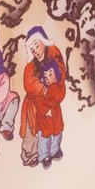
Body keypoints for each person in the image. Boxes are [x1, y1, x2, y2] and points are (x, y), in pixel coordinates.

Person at [20, 26, 67, 167]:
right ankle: (32, 155)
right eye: (32, 49)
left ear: (43, 41)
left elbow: (61, 71)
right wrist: (44, 89)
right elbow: (29, 83)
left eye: (36, 45)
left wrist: (53, 83)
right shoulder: (30, 66)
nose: (35, 51)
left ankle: (54, 151)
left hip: (52, 98)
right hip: (35, 102)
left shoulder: (53, 51)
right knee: (34, 131)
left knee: (55, 128)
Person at [34, 59, 66, 169]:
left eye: (50, 74)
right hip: (45, 118)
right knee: (44, 138)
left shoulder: (57, 86)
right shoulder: (41, 90)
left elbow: (60, 96)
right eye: (45, 76)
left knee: (57, 134)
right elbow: (38, 101)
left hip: (55, 116)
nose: (47, 78)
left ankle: (55, 151)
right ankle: (44, 156)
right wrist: (45, 110)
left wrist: (55, 85)